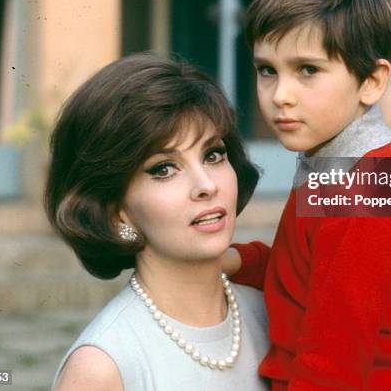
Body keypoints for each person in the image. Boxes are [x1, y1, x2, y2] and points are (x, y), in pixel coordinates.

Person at [226, 0, 391, 389]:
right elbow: (304, 272)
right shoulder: (344, 166)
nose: (281, 95)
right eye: (267, 70)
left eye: (308, 70)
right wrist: (237, 260)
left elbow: (331, 369)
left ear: (371, 82)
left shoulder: (366, 197)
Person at [46, 53, 269, 390]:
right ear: (116, 211)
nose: (207, 185)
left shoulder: (269, 311)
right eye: (164, 169)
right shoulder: (102, 368)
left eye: (213, 154)